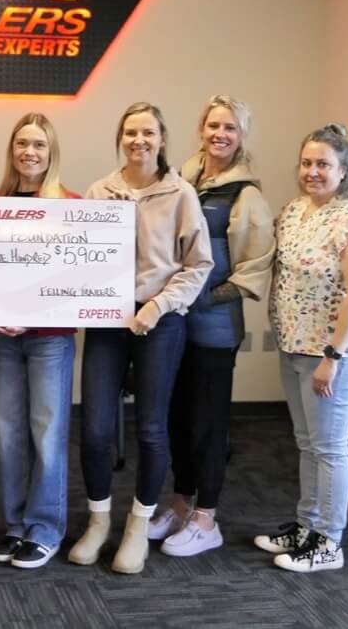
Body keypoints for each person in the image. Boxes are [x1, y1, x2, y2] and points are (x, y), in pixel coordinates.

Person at [69, 102, 213, 573]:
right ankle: (98, 522)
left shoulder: (181, 194)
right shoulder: (100, 191)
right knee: (95, 429)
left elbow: (199, 265)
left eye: (148, 132)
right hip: (107, 321)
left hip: (160, 322)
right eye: (131, 132)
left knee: (151, 429)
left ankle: (137, 525)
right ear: (121, 138)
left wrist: (159, 305)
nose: (139, 140)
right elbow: (79, 257)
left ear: (162, 139)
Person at [255, 124, 348, 572]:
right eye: (307, 163)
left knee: (330, 448)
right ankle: (306, 526)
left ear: (343, 170)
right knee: (307, 443)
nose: (313, 171)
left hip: (332, 354)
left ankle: (329, 542)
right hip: (294, 346)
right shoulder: (295, 211)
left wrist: (332, 357)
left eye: (323, 164)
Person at [151, 95, 275, 556]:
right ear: (201, 130)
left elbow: (252, 270)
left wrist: (202, 297)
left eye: (230, 128)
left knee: (208, 422)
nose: (220, 134)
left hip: (214, 328)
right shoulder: (179, 178)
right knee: (177, 418)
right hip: (175, 322)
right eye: (214, 125)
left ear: (241, 136)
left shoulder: (246, 195)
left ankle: (207, 518)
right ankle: (181, 503)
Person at [0, 113, 79, 569]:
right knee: (8, 433)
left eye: (39, 145)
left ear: (51, 152)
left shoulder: (71, 206)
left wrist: (35, 315)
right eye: (22, 143)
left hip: (49, 340)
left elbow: (78, 278)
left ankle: (45, 528)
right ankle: (15, 524)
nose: (30, 152)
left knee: (47, 434)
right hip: (5, 340)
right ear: (12, 150)